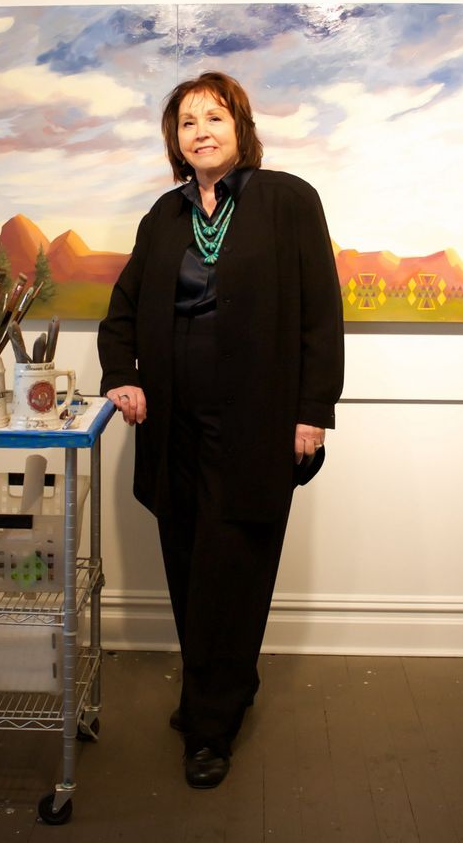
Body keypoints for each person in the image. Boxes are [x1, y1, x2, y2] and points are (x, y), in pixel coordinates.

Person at [98, 71, 344, 789]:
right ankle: (218, 689)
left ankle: (210, 727)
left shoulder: (287, 200)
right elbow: (121, 310)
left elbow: (320, 315)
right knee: (186, 567)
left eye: (214, 117)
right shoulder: (164, 216)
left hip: (258, 427)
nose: (200, 131)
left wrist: (313, 412)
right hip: (172, 425)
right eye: (186, 123)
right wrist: (123, 374)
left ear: (240, 127)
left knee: (232, 572)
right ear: (175, 142)